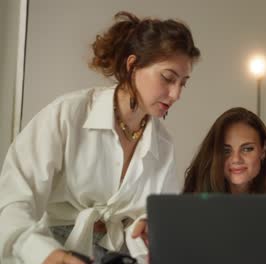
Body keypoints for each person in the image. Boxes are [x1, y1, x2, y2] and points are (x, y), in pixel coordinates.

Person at [0, 11, 200, 263]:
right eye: (168, 78)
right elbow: (12, 202)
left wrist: (151, 228)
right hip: (54, 248)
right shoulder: (68, 114)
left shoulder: (163, 144)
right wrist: (49, 255)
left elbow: (155, 221)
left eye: (183, 83)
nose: (175, 94)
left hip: (121, 255)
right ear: (132, 65)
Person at [183, 107, 266, 194]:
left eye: (247, 149)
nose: (236, 159)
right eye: (226, 151)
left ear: (263, 150)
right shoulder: (201, 183)